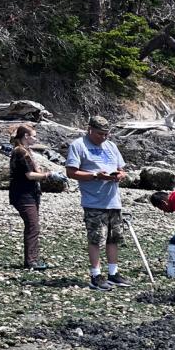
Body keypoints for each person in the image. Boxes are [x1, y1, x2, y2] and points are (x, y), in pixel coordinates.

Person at [65, 115, 129, 290]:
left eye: (106, 134)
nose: (104, 137)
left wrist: (120, 176)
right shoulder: (78, 145)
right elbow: (71, 172)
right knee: (95, 239)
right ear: (90, 130)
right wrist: (95, 175)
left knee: (113, 238)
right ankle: (96, 275)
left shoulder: (111, 146)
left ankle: (113, 273)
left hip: (113, 200)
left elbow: (121, 169)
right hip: (93, 201)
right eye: (100, 134)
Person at [8, 125, 54, 270]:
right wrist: (48, 175)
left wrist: (42, 172)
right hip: (22, 194)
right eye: (34, 136)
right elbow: (30, 175)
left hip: (31, 193)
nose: (36, 138)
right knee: (33, 226)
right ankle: (31, 261)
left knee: (33, 226)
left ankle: (32, 258)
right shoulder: (20, 152)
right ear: (26, 136)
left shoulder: (28, 151)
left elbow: (35, 171)